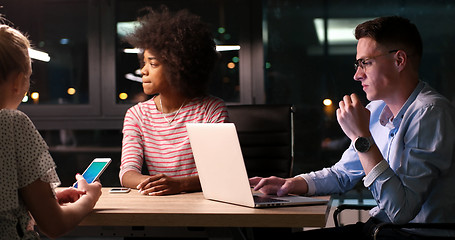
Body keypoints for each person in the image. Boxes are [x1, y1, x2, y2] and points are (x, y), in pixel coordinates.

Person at [250, 16, 455, 240]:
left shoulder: (430, 112)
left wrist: (361, 136)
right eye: (357, 64)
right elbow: (342, 174)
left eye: (365, 62)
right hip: (380, 228)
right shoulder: (376, 109)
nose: (357, 75)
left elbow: (400, 211)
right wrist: (292, 183)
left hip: (410, 235)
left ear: (399, 61)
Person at [0, 23, 102, 239]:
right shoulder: (12, 123)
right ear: (19, 82)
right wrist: (89, 198)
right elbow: (54, 225)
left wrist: (46, 197)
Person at [119, 6, 229, 196]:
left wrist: (179, 185)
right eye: (143, 63)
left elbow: (221, 173)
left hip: (205, 209)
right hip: (160, 206)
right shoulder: (137, 114)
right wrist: (160, 184)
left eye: (153, 64)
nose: (143, 71)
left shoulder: (210, 109)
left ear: (178, 67)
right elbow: (127, 173)